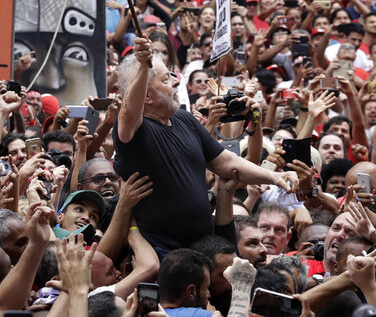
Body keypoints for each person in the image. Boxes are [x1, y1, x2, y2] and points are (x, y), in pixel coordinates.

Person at [113, 36, 297, 255]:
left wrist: (275, 177)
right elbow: (128, 113)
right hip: (162, 250)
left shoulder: (185, 119)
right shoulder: (133, 130)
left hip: (203, 244)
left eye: (173, 74)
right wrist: (144, 68)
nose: (176, 82)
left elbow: (226, 162)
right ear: (148, 97)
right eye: (165, 79)